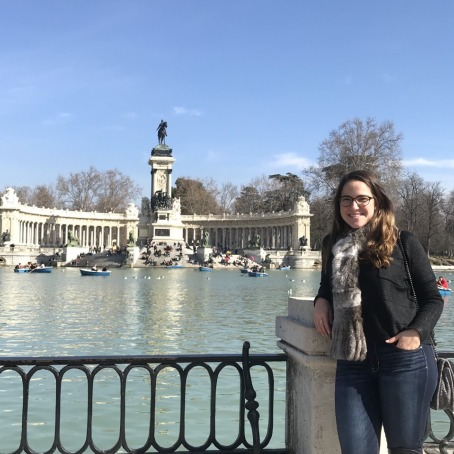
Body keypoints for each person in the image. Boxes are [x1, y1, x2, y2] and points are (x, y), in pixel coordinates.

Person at [313, 170, 443, 454]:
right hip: (353, 360)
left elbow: (433, 299)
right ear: (338, 206)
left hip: (404, 360)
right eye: (346, 200)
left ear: (377, 202)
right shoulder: (332, 246)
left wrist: (416, 332)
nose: (353, 206)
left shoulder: (403, 242)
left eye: (362, 199)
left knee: (405, 450)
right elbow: (327, 286)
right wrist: (320, 301)